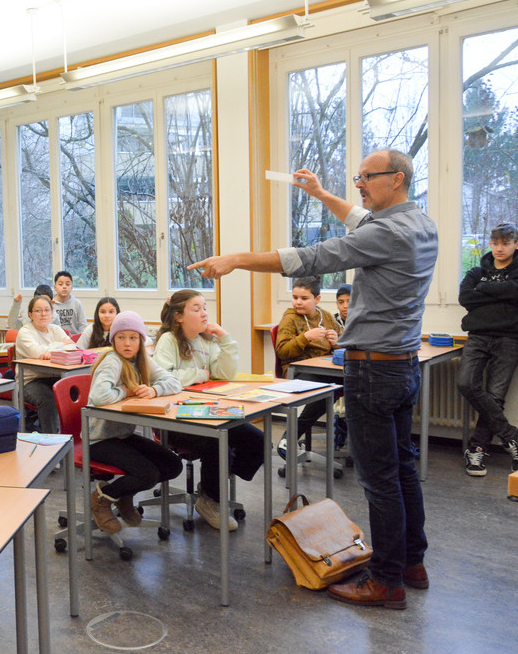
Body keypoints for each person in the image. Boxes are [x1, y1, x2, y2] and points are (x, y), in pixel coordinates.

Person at [191, 149, 437, 609]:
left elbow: (311, 257)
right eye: (357, 176)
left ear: (396, 179)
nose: (358, 184)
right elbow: (359, 218)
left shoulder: (384, 233)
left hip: (373, 369)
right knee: (402, 469)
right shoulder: (420, 223)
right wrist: (322, 194)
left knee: (380, 480)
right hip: (403, 365)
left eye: (367, 176)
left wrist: (236, 259)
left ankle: (386, 582)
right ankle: (411, 563)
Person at [153, 289, 263, 531]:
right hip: (175, 420)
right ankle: (212, 498)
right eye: (197, 309)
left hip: (208, 412)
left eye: (205, 308)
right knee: (218, 443)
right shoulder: (168, 340)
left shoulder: (206, 341)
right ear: (179, 316)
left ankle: (210, 488)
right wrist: (200, 374)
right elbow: (163, 378)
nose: (204, 313)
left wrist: (225, 339)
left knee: (258, 441)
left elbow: (224, 374)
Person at [87, 311, 183, 533]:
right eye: (121, 337)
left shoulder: (142, 360)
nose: (127, 343)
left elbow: (174, 382)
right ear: (113, 340)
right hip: (99, 440)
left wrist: (154, 390)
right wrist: (127, 391)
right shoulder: (112, 361)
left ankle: (124, 494)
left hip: (122, 436)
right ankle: (102, 498)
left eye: (133, 338)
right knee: (148, 474)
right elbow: (98, 396)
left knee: (172, 465)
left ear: (141, 340)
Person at [458, 222, 518, 476]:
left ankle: (476, 448)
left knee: (495, 396)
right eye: (495, 243)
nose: (499, 248)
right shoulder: (476, 271)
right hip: (478, 336)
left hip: (511, 338)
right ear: (490, 244)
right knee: (466, 383)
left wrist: (484, 289)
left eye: (505, 243)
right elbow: (465, 298)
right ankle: (512, 435)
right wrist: (503, 294)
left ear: (517, 244)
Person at [273, 276, 343, 459]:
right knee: (325, 388)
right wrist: (305, 338)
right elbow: (282, 351)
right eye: (295, 297)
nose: (298, 302)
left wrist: (337, 342)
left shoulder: (325, 316)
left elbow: (345, 342)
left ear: (317, 299)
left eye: (304, 298)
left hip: (324, 370)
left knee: (352, 381)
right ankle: (290, 436)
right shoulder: (290, 318)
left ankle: (350, 435)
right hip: (297, 370)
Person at [13, 296, 77, 433]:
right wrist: (60, 346)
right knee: (47, 399)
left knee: (75, 391)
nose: (43, 314)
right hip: (29, 381)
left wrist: (51, 350)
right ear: (30, 314)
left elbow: (72, 346)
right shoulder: (25, 332)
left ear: (52, 312)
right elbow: (38, 352)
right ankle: (51, 438)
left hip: (55, 377)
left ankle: (74, 435)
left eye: (47, 310)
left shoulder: (55, 329)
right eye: (38, 311)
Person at [52, 271, 88, 335]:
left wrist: (83, 338)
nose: (64, 287)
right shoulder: (51, 304)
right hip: (56, 338)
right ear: (55, 287)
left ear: (71, 287)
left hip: (74, 338)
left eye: (67, 284)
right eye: (60, 284)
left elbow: (83, 325)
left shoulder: (77, 303)